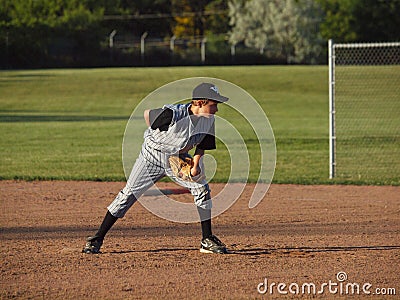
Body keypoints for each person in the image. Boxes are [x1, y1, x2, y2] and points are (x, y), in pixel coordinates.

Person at [83, 82, 229, 254]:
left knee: (201, 188)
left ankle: (207, 239)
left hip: (178, 159)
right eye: (213, 105)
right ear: (199, 103)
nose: (216, 110)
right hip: (151, 157)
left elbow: (202, 145)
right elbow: (148, 115)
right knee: (128, 195)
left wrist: (195, 166)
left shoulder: (208, 120)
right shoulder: (174, 114)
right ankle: (97, 238)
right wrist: (157, 137)